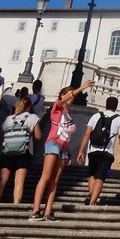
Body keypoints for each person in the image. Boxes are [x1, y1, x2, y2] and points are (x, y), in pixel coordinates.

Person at [29, 79, 93, 222]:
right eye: (68, 95)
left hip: (63, 147)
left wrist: (68, 151)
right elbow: (63, 100)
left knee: (55, 181)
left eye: (72, 97)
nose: (71, 98)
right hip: (53, 144)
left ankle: (47, 212)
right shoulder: (57, 107)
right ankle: (35, 211)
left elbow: (68, 135)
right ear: (62, 95)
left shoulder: (68, 113)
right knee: (45, 177)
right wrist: (81, 87)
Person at [76, 96, 120, 206]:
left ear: (106, 104)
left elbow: (86, 134)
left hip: (92, 151)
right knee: (100, 177)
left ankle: (90, 193)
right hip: (107, 152)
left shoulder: (95, 116)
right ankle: (92, 202)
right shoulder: (119, 119)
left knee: (92, 174)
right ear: (116, 106)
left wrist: (81, 150)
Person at [0, 95, 41, 204]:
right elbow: (38, 136)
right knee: (19, 181)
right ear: (29, 107)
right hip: (24, 151)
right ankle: (16, 204)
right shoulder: (33, 117)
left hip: (7, 151)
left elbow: (2, 134)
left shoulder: (9, 118)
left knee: (2, 179)